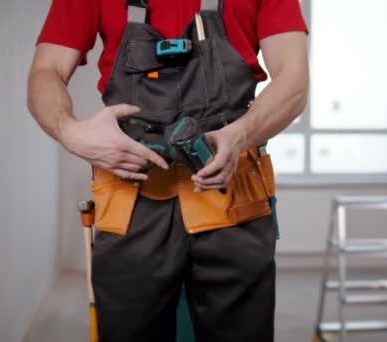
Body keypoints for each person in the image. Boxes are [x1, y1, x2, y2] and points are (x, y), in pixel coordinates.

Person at [27, 0, 308, 341]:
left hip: (231, 196)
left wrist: (239, 136)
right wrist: (71, 133)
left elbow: (294, 80)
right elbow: (46, 71)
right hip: (131, 200)